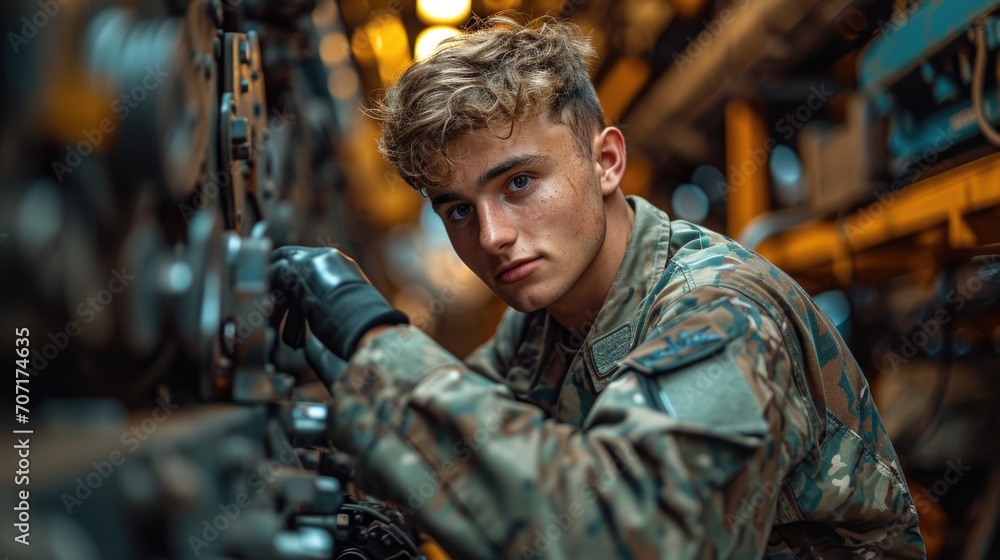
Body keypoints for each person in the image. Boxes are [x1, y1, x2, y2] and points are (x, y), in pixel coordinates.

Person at [269, 15, 926, 559]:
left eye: (518, 183)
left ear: (606, 161)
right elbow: (477, 453)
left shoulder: (720, 309)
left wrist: (376, 341)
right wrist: (352, 394)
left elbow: (627, 537)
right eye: (458, 209)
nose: (493, 235)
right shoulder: (540, 322)